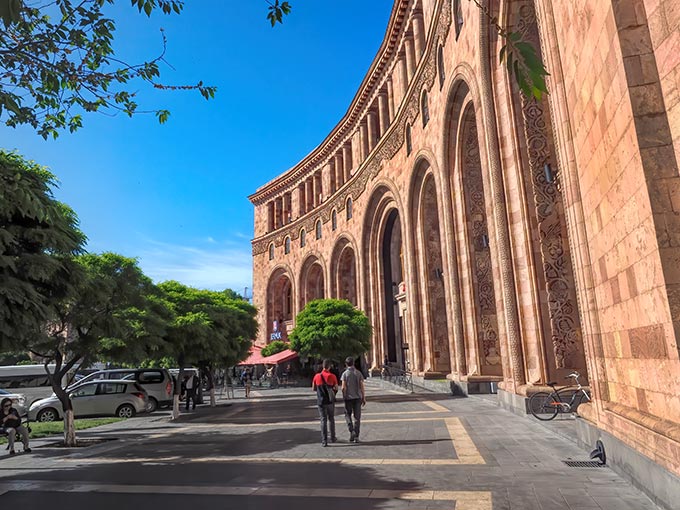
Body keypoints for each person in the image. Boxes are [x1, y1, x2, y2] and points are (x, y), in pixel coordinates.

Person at [312, 359, 338, 447]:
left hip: (321, 401)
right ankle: (333, 437)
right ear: (329, 366)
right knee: (331, 419)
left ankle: (324, 441)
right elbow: (336, 388)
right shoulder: (332, 376)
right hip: (330, 401)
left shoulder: (317, 376)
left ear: (322, 366)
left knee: (323, 420)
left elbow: (313, 388)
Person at [341, 356, 366, 443]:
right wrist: (363, 397)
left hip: (348, 398)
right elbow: (362, 386)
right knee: (357, 417)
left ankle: (351, 430)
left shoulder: (344, 374)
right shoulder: (358, 373)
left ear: (346, 364)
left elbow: (343, 387)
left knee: (347, 415)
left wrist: (344, 396)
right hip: (357, 398)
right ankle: (356, 436)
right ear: (353, 363)